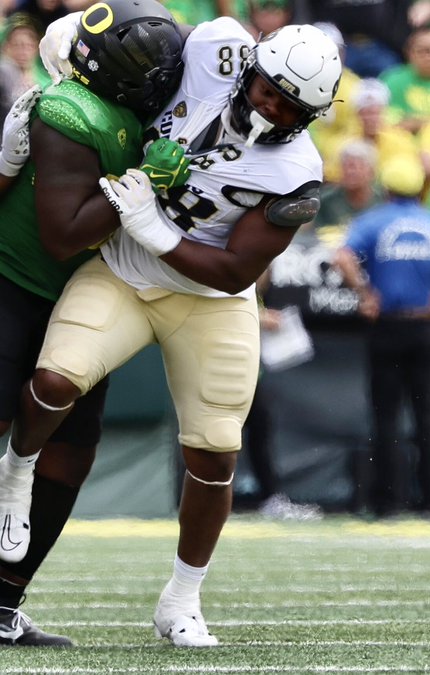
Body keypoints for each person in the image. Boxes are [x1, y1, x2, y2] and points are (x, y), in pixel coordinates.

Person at [4, 18, 340, 647]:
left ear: (311, 114)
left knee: (214, 452)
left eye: (290, 105)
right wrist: (64, 44)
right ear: (252, 67)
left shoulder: (297, 172)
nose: (271, 107)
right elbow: (133, 34)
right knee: (55, 379)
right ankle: (15, 475)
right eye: (268, 89)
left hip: (210, 299)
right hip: (124, 274)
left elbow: (237, 267)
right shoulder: (214, 47)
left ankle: (181, 601)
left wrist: (157, 229)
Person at [0, 0, 186, 647]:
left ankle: (2, 602)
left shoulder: (140, 104)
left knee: (71, 453)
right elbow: (60, 235)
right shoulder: (68, 110)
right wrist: (139, 183)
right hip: (15, 282)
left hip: (86, 293)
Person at [334, 162, 430, 516]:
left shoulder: (373, 221)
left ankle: (388, 501)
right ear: (422, 192)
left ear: (386, 191)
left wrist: (365, 292)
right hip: (424, 328)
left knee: (385, 416)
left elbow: (341, 255)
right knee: (427, 416)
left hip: (386, 326)